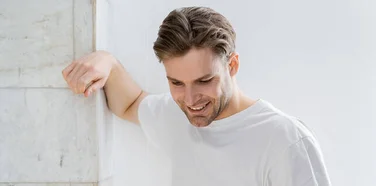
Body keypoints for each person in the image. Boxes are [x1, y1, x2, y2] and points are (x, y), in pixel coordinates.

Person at [62, 6, 331, 186]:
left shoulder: (286, 142)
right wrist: (106, 61)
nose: (190, 100)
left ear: (232, 66)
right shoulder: (174, 115)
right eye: (176, 82)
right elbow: (130, 103)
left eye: (204, 81)